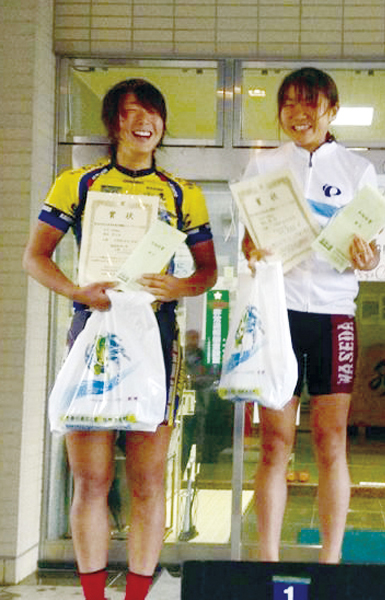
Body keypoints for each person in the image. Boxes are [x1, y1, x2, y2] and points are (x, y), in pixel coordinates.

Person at [23, 79, 217, 600]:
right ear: (113, 123)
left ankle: (134, 596)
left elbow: (206, 272)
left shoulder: (183, 193)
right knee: (91, 478)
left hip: (156, 333)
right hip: (94, 329)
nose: (144, 122)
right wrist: (77, 291)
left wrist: (180, 285)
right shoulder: (78, 183)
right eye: (132, 113)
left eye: (153, 113)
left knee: (149, 481)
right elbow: (35, 256)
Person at [241, 67, 380, 563]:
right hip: (278, 314)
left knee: (330, 439)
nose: (299, 115)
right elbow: (248, 242)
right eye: (290, 105)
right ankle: (268, 558)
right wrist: (255, 251)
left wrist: (368, 257)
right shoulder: (263, 165)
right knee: (275, 443)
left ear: (332, 110)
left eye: (311, 104)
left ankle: (331, 559)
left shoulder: (357, 169)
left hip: (333, 316)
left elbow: (369, 246)